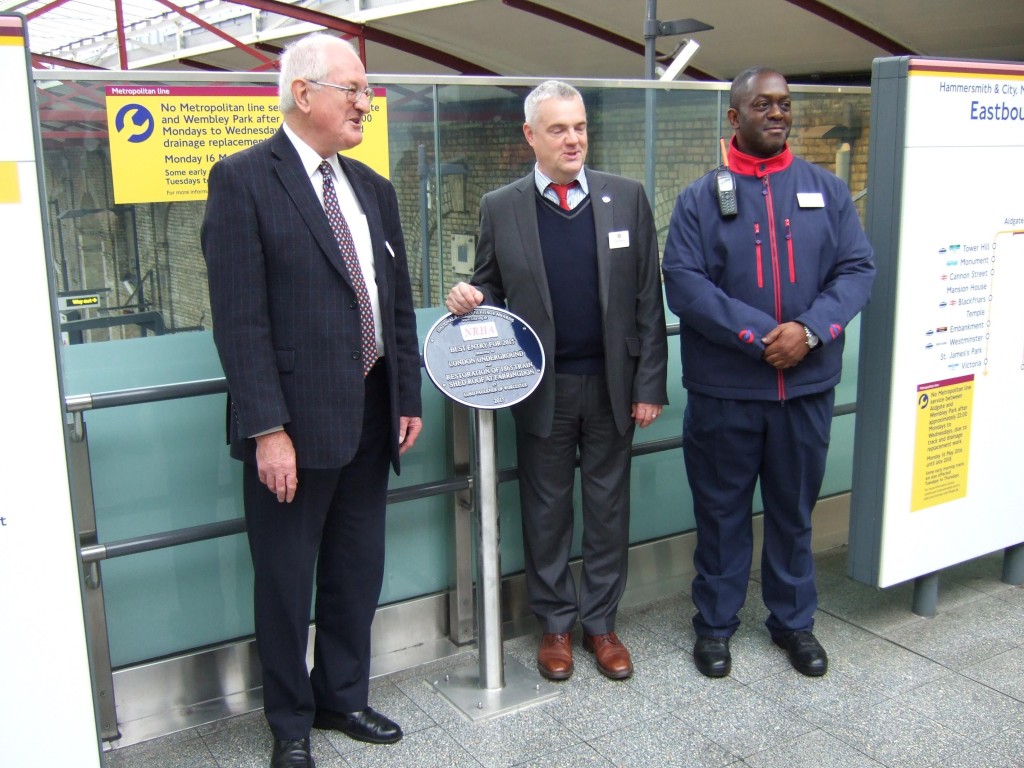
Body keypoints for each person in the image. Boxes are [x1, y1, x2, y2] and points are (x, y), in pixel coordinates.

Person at [201, 33, 422, 768]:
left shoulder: (372, 189)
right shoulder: (242, 180)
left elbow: (395, 306)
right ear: (304, 94)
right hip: (292, 428)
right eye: (353, 89)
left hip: (370, 415)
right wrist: (268, 430)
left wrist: (406, 397)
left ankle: (343, 697)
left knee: (358, 567)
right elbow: (239, 320)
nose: (365, 102)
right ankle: (290, 723)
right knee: (288, 580)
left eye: (366, 90)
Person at [446, 80, 668, 682]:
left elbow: (649, 297)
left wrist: (650, 384)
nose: (573, 140)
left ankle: (601, 625)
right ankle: (556, 626)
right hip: (539, 387)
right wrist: (470, 295)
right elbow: (489, 281)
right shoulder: (503, 205)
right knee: (545, 512)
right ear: (530, 136)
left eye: (580, 128)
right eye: (558, 129)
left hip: (613, 386)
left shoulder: (626, 197)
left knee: (607, 508)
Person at [662, 67, 875, 679]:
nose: (777, 113)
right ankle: (715, 625)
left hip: (804, 390)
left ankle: (793, 623)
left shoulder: (826, 190)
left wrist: (808, 331)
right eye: (763, 104)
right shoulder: (700, 198)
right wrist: (760, 339)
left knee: (793, 512)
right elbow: (685, 284)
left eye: (784, 104)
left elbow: (857, 270)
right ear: (735, 116)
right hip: (726, 393)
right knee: (721, 514)